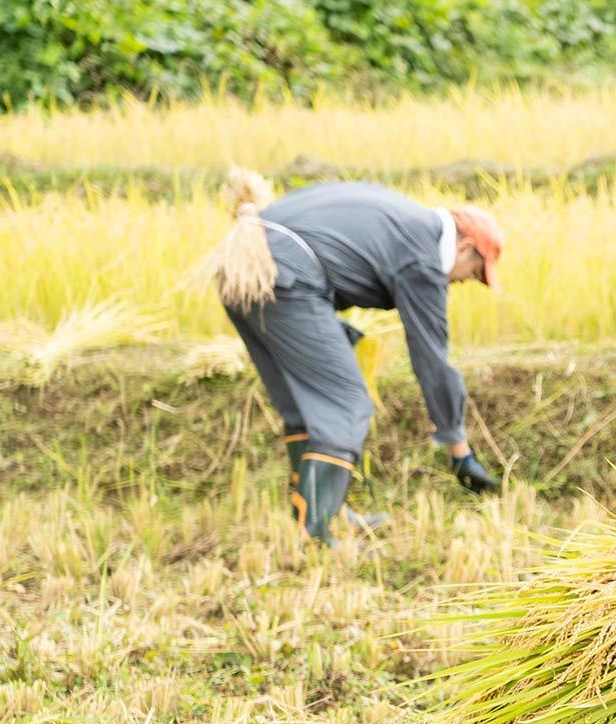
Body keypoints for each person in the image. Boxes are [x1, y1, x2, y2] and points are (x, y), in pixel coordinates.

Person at [205, 172, 504, 543]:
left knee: (302, 406)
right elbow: (432, 359)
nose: (461, 283)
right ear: (463, 247)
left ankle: (320, 513)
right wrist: (459, 449)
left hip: (244, 267)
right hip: (284, 279)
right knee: (348, 405)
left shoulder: (401, 218)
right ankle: (317, 532)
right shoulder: (423, 258)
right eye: (474, 272)